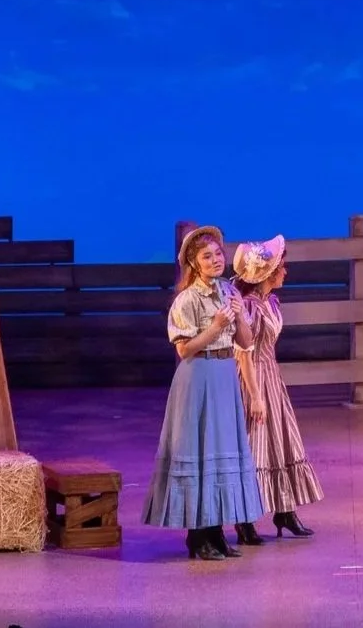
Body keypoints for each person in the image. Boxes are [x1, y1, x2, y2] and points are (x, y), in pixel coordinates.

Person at [145, 225, 267, 560]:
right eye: (206, 256)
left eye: (217, 254)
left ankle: (217, 532)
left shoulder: (228, 290)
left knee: (222, 451)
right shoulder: (186, 301)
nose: (215, 260)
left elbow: (244, 342)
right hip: (199, 375)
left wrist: (240, 316)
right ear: (194, 264)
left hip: (225, 375)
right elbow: (185, 350)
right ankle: (198, 536)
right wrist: (213, 326)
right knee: (199, 450)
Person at [229, 236, 322, 545]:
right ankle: (245, 518)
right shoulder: (250, 306)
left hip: (271, 377)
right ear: (267, 272)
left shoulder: (270, 301)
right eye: (282, 266)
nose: (286, 271)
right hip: (253, 378)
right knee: (255, 445)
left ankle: (284, 509)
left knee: (280, 443)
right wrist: (255, 395)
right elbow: (243, 352)